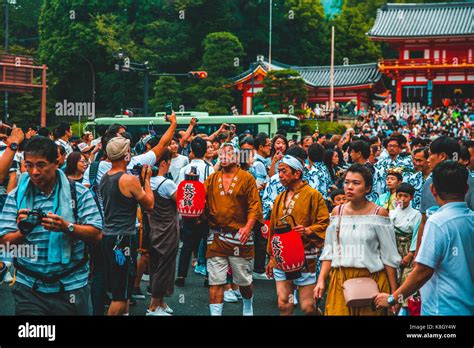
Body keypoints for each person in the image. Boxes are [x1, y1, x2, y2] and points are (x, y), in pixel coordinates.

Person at [0, 136, 103, 315]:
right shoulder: (16, 196)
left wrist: (67, 227)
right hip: (29, 288)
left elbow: (97, 234)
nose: (34, 172)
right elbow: (4, 244)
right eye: (28, 165)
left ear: (56, 163)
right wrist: (22, 231)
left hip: (71, 286)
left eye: (41, 164)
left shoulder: (78, 194)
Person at [375, 161, 474, 316]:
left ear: (433, 190)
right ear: (467, 189)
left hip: (442, 308)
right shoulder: (470, 218)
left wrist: (392, 298)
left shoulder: (437, 222)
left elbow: (423, 271)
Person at [314, 164, 401, 316]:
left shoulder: (379, 214)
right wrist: (321, 280)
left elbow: (389, 256)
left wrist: (394, 293)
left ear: (367, 188)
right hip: (340, 279)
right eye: (347, 182)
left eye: (356, 183)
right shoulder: (337, 212)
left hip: (373, 281)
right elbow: (329, 251)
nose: (349, 187)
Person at [265, 155, 329, 316]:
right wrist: (271, 257)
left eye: (284, 171)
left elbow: (325, 223)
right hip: (282, 256)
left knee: (308, 307)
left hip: (305, 257)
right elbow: (273, 229)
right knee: (284, 303)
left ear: (297, 173)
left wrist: (308, 230)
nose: (280, 175)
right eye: (279, 171)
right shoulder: (280, 197)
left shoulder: (313, 195)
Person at [203, 143, 263, 316]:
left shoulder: (247, 178)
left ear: (237, 158)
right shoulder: (212, 179)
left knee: (243, 281)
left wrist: (248, 227)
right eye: (220, 154)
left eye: (228, 154)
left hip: (240, 237)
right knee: (216, 281)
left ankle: (247, 304)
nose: (223, 157)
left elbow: (254, 206)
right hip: (216, 237)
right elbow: (201, 200)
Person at [100, 136, 155, 316]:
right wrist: (146, 180)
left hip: (108, 236)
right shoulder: (128, 180)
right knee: (120, 295)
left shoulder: (105, 178)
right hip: (122, 238)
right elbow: (149, 204)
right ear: (125, 156)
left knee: (121, 290)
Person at [415, 136, 474, 256]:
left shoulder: (469, 183)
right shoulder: (428, 183)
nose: (427, 160)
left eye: (430, 155)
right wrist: (418, 253)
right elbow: (423, 221)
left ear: (442, 156)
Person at [175, 137, 215, 286]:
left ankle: (181, 275)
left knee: (187, 244)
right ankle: (207, 276)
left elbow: (180, 189)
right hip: (203, 212)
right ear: (205, 151)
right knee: (206, 242)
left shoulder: (184, 169)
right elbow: (210, 191)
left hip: (187, 211)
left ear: (191, 151)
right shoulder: (208, 168)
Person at [146, 149, 179, 316]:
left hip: (153, 227)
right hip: (168, 229)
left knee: (156, 263)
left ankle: (161, 302)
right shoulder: (167, 184)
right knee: (165, 266)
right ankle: (153, 305)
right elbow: (181, 202)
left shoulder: (146, 182)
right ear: (164, 163)